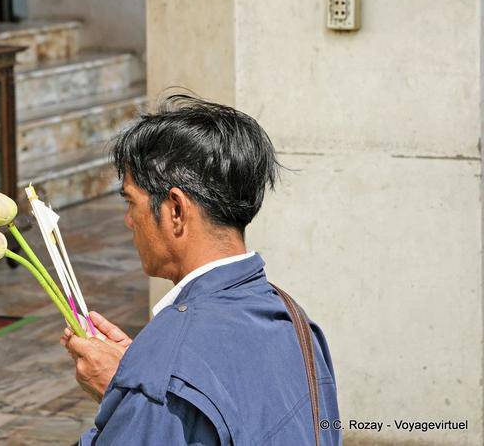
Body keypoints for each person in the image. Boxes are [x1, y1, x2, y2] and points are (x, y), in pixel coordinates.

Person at [61, 95, 341, 445]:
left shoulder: (163, 370)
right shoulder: (293, 319)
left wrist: (136, 390)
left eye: (131, 201)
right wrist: (135, 384)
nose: (127, 219)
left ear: (176, 209)